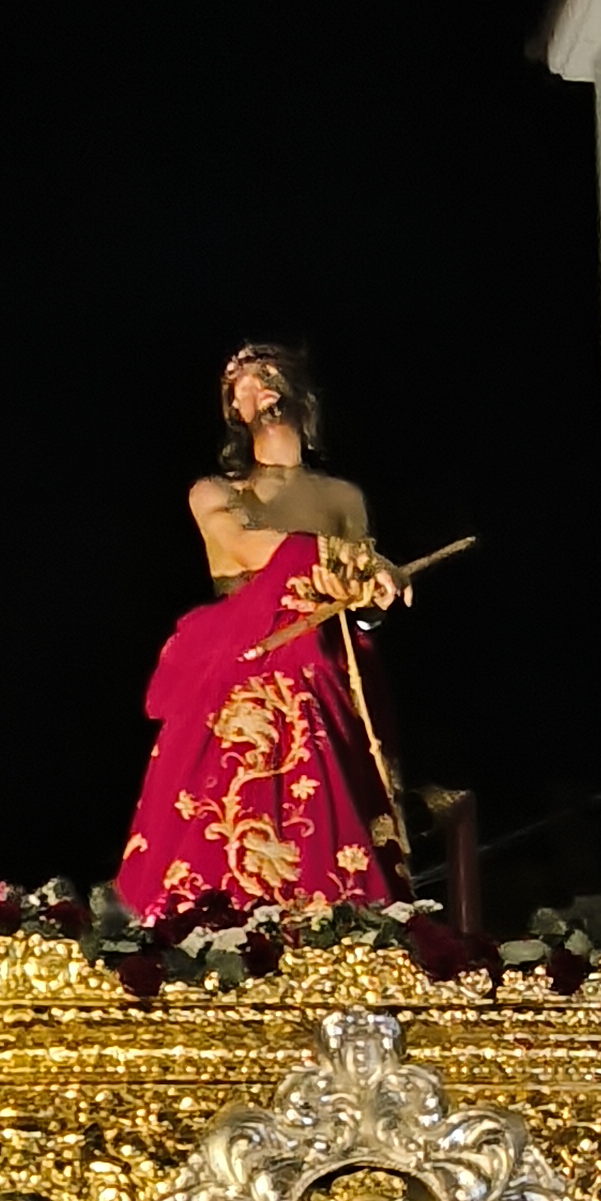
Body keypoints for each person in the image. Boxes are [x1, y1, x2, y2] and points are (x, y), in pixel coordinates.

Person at [115, 342, 410, 917]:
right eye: (240, 387)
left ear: (299, 392)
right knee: (227, 774)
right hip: (246, 649)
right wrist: (334, 557)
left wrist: (377, 582)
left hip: (325, 652)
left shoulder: (341, 497)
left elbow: (361, 580)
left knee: (337, 772)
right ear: (233, 411)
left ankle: (340, 911)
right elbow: (247, 545)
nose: (255, 390)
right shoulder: (220, 491)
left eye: (266, 377)